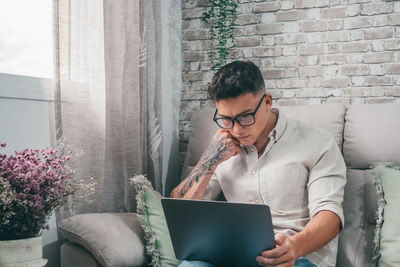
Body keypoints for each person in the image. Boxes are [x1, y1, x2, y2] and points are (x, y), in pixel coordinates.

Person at [170, 60, 346, 267]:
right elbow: (181, 210)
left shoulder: (317, 142)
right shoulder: (221, 147)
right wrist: (209, 161)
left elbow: (330, 216)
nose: (236, 129)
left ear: (267, 102)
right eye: (227, 119)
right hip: (232, 256)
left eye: (245, 117)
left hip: (295, 258)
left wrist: (295, 246)